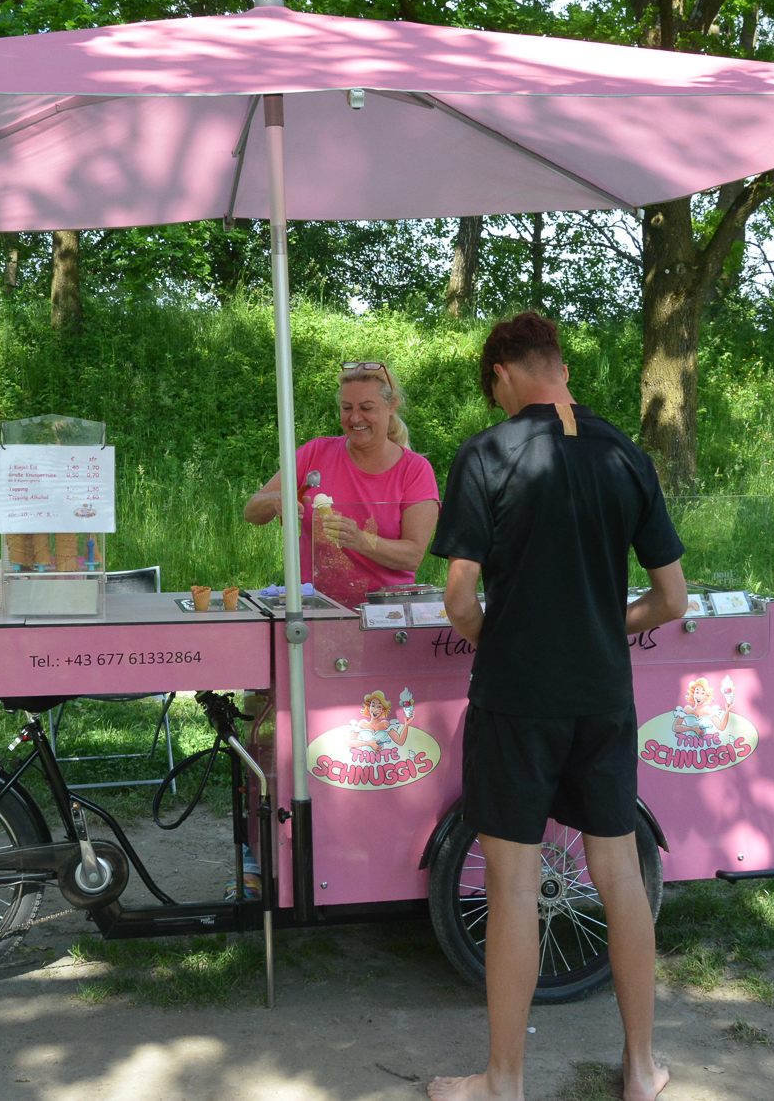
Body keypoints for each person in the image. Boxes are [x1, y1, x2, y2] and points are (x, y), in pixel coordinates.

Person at [427, 311, 687, 1101]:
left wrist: (495, 638)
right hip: (602, 694)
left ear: (503, 370)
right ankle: (641, 1068)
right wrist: (604, 627)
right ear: (560, 367)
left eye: (491, 388)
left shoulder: (487, 451)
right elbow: (670, 598)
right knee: (619, 871)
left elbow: (458, 596)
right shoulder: (625, 455)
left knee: (511, 881)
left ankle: (501, 1081)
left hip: (517, 697)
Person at [244, 361, 439, 607]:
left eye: (366, 408)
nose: (355, 418)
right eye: (347, 408)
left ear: (391, 406)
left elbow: (412, 556)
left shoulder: (415, 470)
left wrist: (360, 539)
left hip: (384, 614)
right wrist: (276, 501)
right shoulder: (316, 452)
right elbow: (251, 511)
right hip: (315, 608)